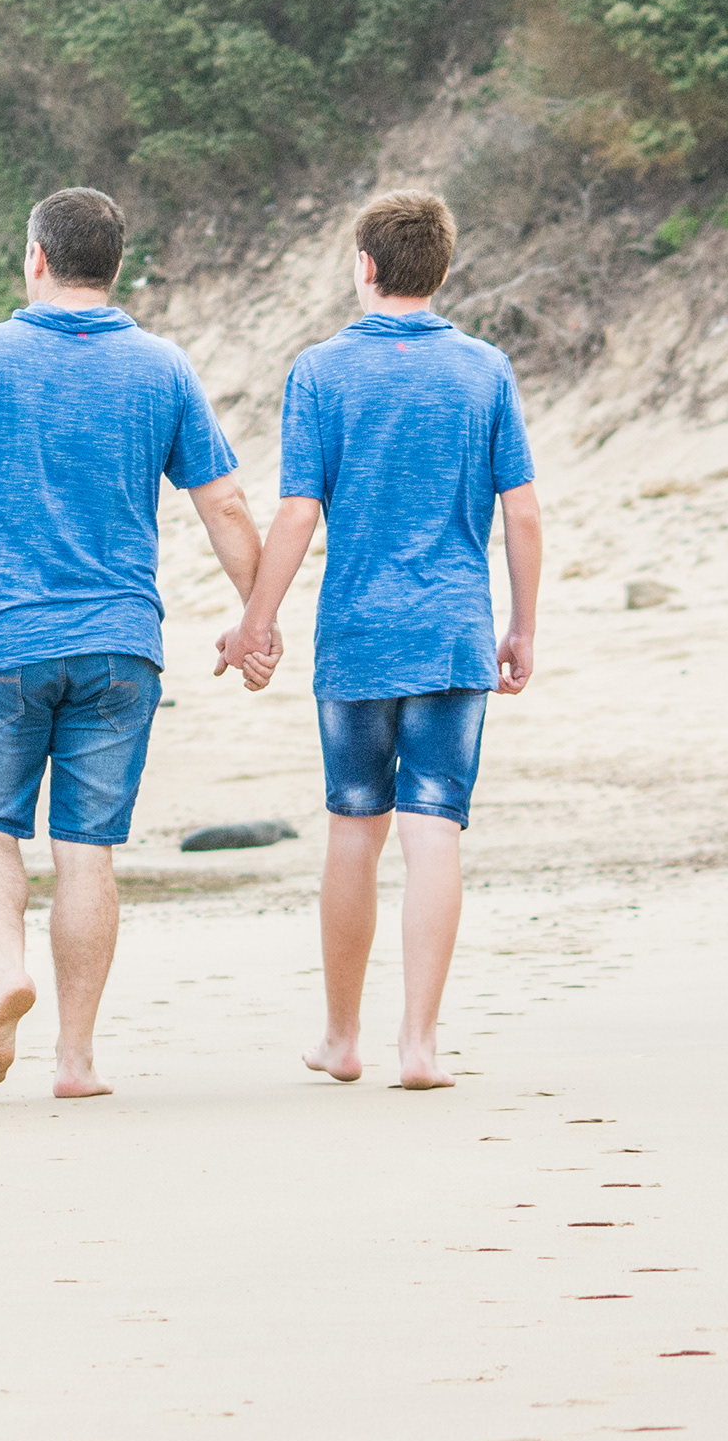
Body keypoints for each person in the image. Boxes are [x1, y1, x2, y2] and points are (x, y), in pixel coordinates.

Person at [0, 187, 261, 1099]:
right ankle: (77, 1059)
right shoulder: (164, 367)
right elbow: (224, 503)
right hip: (122, 645)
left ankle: (7, 967)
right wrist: (257, 615)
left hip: (10, 640)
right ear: (114, 266)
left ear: (37, 258)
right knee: (87, 849)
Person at [219, 189, 541, 1091]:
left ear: (364, 266)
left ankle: (341, 1037)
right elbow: (522, 512)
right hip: (454, 633)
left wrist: (257, 619)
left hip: (358, 637)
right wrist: (522, 623)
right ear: (443, 267)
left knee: (355, 826)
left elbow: (298, 510)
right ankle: (420, 1045)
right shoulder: (485, 370)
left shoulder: (321, 370)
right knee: (435, 825)